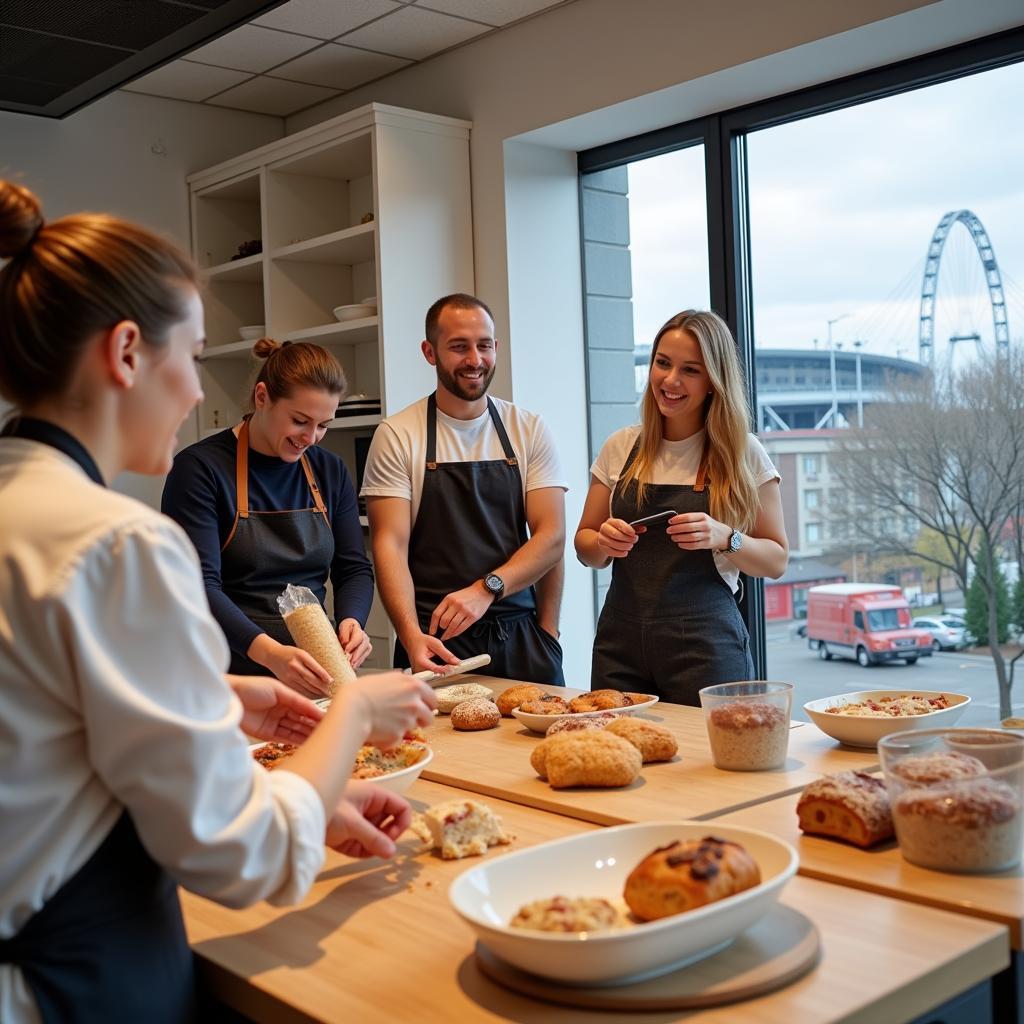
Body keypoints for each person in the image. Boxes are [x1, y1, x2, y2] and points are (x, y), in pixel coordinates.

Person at [0, 181, 437, 1023]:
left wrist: (222, 698)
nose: (201, 392)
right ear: (128, 352)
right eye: (192, 356)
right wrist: (350, 720)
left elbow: (41, 720)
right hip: (72, 984)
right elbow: (235, 855)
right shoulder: (118, 543)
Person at [575, 309, 788, 705]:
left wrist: (726, 537)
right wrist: (603, 543)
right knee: (616, 757)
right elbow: (584, 545)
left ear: (713, 380)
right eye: (662, 363)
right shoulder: (620, 446)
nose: (670, 381)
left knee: (710, 763)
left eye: (690, 370)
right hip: (619, 644)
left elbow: (776, 560)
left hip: (707, 650)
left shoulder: (744, 453)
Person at [362, 293, 567, 683]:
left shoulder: (528, 428)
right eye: (459, 347)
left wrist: (546, 631)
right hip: (436, 643)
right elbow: (389, 546)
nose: (475, 360)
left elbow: (551, 538)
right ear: (429, 351)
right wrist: (410, 637)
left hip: (521, 635)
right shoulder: (398, 435)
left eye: (484, 345)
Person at [162, 339, 373, 697]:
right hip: (227, 677)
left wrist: (353, 620)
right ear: (262, 397)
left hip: (314, 675)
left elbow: (353, 567)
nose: (310, 438)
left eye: (323, 425)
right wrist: (269, 654)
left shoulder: (328, 470)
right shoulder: (200, 470)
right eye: (300, 421)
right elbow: (198, 586)